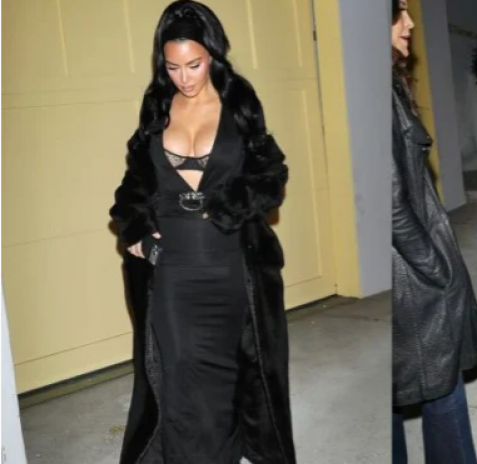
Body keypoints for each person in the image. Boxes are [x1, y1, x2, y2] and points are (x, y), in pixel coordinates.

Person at [108, 1, 295, 463]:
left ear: (212, 54)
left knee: (228, 380)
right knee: (179, 378)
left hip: (229, 262)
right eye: (172, 67)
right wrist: (134, 227)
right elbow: (134, 184)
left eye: (193, 64)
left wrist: (233, 205)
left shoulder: (240, 103)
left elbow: (271, 173)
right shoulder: (157, 105)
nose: (184, 78)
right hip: (172, 267)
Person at [391, 1, 477, 463]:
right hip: (411, 271)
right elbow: (391, 204)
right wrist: (437, 268)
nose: (410, 21)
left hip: (404, 265)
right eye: (399, 11)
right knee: (441, 378)